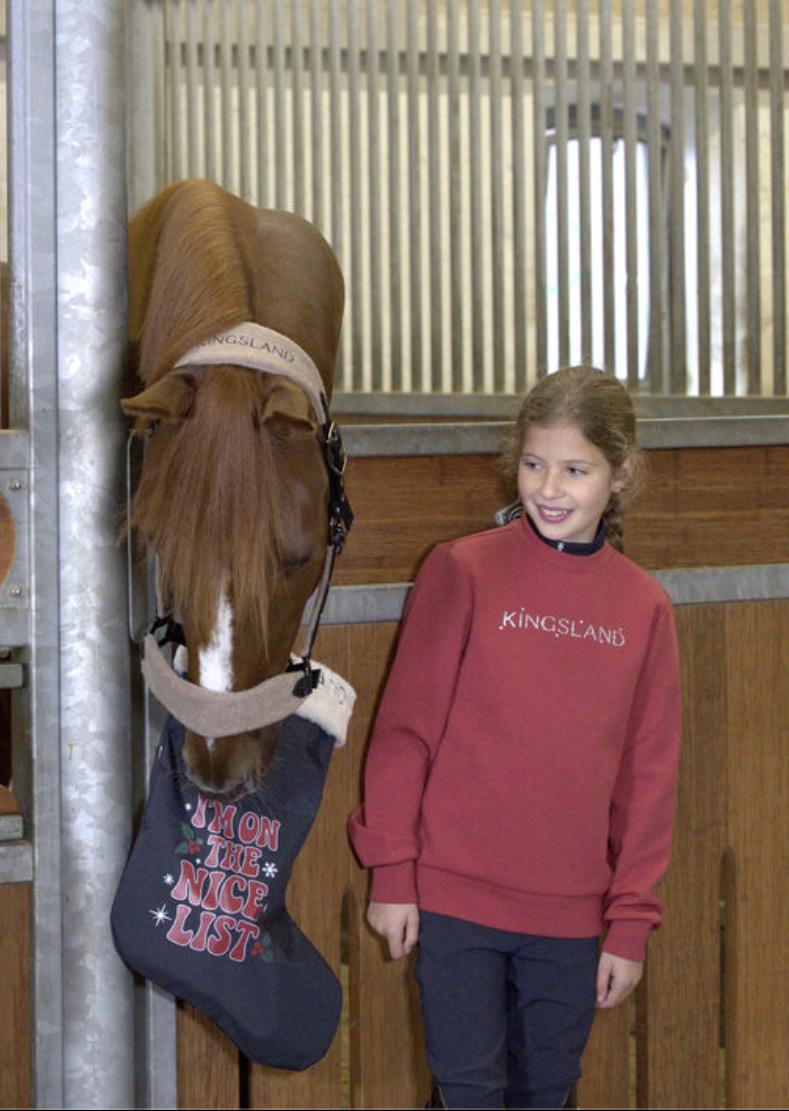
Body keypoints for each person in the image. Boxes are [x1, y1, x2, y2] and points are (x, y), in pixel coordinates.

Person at [348, 366, 682, 1110]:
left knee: (547, 1093)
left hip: (571, 918)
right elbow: (404, 734)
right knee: (466, 1092)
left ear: (621, 474)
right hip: (455, 904)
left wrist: (629, 922)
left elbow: (648, 780)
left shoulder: (644, 608)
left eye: (575, 470)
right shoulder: (462, 569)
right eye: (534, 464)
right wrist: (393, 872)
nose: (549, 489)